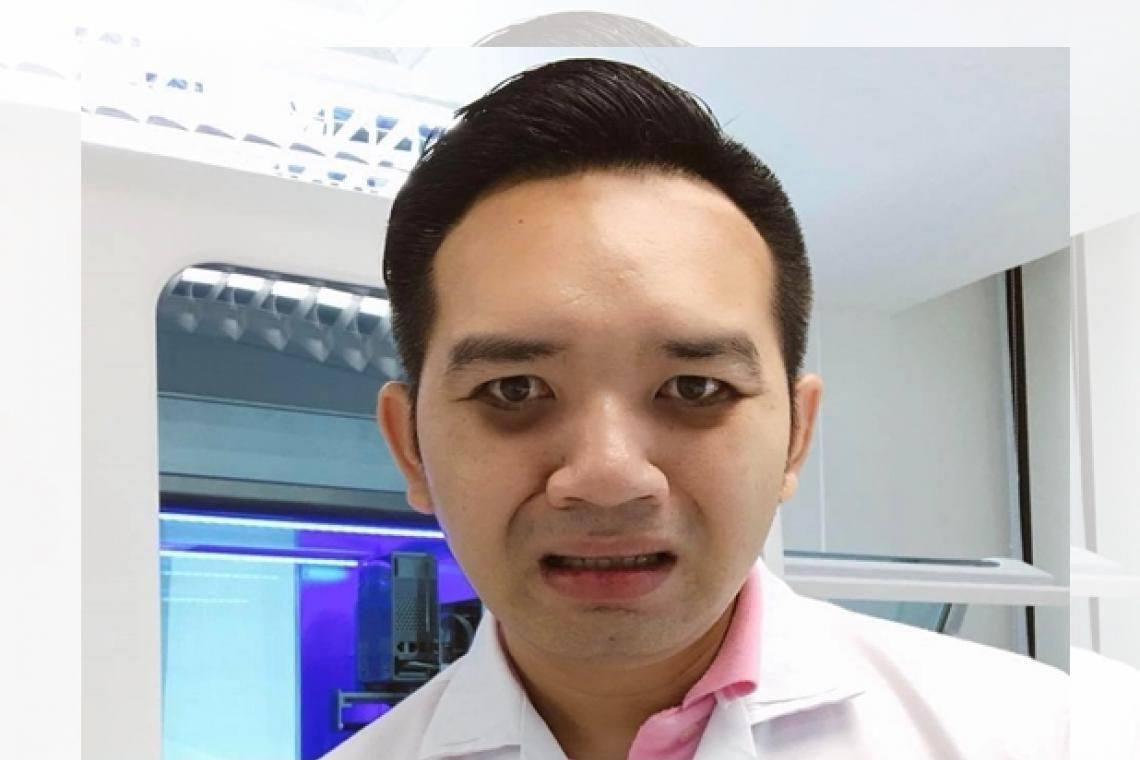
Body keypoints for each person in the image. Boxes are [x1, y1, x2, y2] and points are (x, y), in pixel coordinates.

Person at [323, 58, 1067, 760]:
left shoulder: (1047, 733)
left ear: (796, 435)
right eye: (514, 389)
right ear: (410, 447)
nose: (609, 477)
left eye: (694, 389)